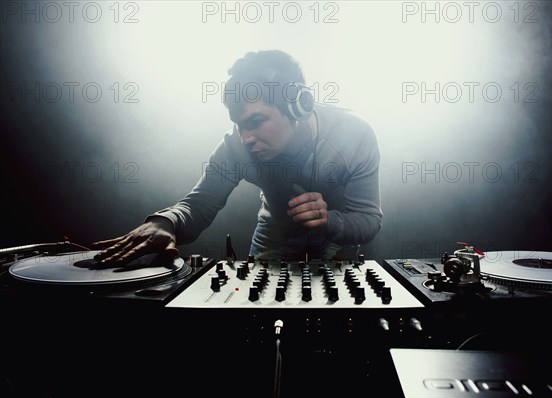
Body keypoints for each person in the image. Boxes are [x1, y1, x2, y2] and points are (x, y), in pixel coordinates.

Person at [93, 49, 382, 263]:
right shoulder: (236, 147)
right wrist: (164, 222)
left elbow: (368, 220)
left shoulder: (354, 136)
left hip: (337, 246)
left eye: (256, 122)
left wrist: (330, 220)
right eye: (239, 125)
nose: (246, 138)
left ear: (297, 108)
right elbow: (199, 204)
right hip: (272, 243)